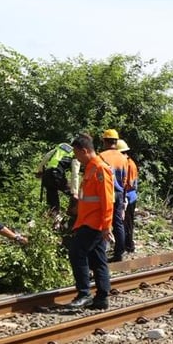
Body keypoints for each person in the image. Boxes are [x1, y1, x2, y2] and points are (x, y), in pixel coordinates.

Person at [66, 133, 114, 310]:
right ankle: (101, 298)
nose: (76, 158)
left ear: (84, 151)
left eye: (77, 154)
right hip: (88, 221)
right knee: (97, 258)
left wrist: (107, 226)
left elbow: (107, 200)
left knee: (76, 252)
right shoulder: (91, 168)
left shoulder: (100, 168)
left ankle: (84, 294)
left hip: (94, 223)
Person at [98, 130, 129, 261]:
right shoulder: (123, 158)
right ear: (116, 142)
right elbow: (125, 180)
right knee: (118, 223)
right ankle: (119, 253)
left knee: (103, 222)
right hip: (119, 193)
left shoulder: (101, 156)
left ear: (105, 141)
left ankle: (101, 253)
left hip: (106, 192)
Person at [37, 142, 80, 214]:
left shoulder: (62, 145)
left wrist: (40, 170)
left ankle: (55, 216)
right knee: (74, 193)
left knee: (52, 198)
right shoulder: (76, 153)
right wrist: (75, 192)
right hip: (57, 174)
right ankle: (74, 212)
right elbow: (75, 173)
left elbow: (47, 156)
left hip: (47, 174)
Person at [117, 139, 139, 255]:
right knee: (124, 223)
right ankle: (125, 245)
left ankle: (129, 246)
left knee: (127, 223)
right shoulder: (126, 162)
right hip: (127, 196)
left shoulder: (129, 164)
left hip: (129, 197)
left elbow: (128, 184)